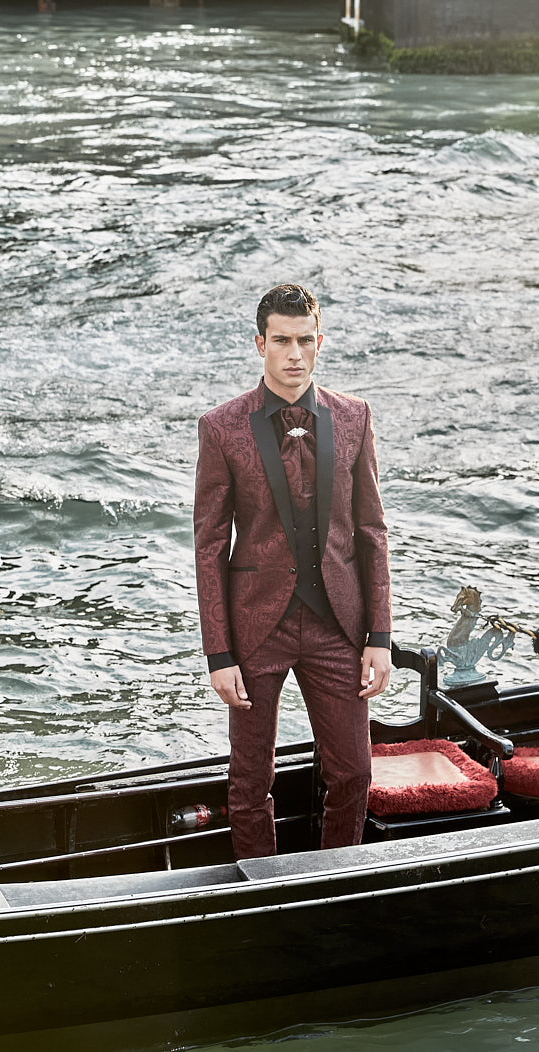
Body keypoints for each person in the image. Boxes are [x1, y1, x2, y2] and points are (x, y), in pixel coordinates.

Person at [193, 284, 392, 859]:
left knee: (354, 772)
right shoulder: (222, 427)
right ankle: (261, 887)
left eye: (306, 340)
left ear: (319, 341)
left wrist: (379, 637)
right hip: (257, 628)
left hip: (338, 626)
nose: (295, 354)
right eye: (281, 341)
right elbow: (210, 546)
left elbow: (371, 532)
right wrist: (218, 653)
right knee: (250, 781)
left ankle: (339, 879)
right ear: (260, 344)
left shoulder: (354, 418)